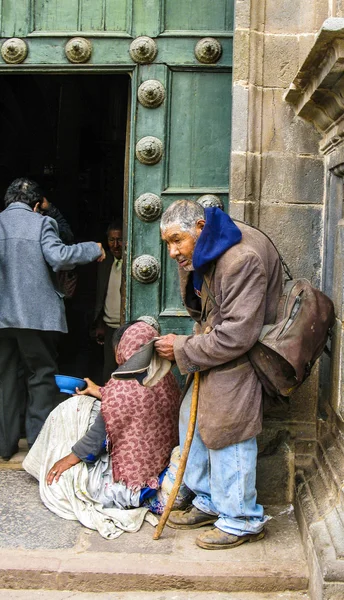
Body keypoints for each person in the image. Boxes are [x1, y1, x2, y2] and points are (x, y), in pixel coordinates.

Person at [155, 199, 283, 550]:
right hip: (215, 346)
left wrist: (182, 349)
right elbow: (202, 306)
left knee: (229, 426)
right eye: (167, 244)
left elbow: (237, 336)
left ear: (199, 228)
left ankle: (242, 519)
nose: (171, 252)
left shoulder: (241, 260)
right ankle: (210, 500)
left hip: (242, 354)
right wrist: (187, 262)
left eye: (177, 241)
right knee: (191, 419)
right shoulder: (209, 245)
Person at [24, 321, 183, 526]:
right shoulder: (165, 377)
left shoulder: (123, 386)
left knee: (74, 409)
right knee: (90, 405)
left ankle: (40, 461)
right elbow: (133, 402)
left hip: (128, 486)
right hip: (155, 469)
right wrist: (97, 390)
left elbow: (97, 437)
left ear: (122, 349)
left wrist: (68, 460)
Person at [0, 177, 106, 460]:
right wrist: (93, 248)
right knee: (41, 377)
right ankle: (36, 444)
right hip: (35, 317)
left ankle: (5, 445)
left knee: (6, 379)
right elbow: (59, 257)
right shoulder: (42, 223)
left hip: (2, 319)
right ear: (36, 205)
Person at [94, 221, 123, 383]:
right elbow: (100, 295)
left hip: (128, 328)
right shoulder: (104, 263)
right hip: (109, 328)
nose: (116, 245)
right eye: (112, 240)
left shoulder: (133, 262)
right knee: (109, 370)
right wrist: (99, 324)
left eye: (119, 239)